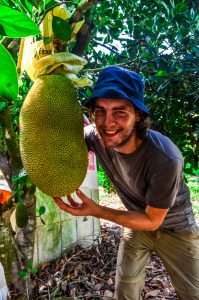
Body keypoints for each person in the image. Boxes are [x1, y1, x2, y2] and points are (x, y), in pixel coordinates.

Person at [53, 66, 199, 300]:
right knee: (125, 288)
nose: (107, 122)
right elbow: (63, 137)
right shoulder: (94, 136)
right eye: (100, 111)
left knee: (192, 293)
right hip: (135, 221)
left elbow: (152, 220)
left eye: (120, 112)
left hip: (175, 228)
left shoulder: (165, 158)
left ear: (138, 115)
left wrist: (97, 210)